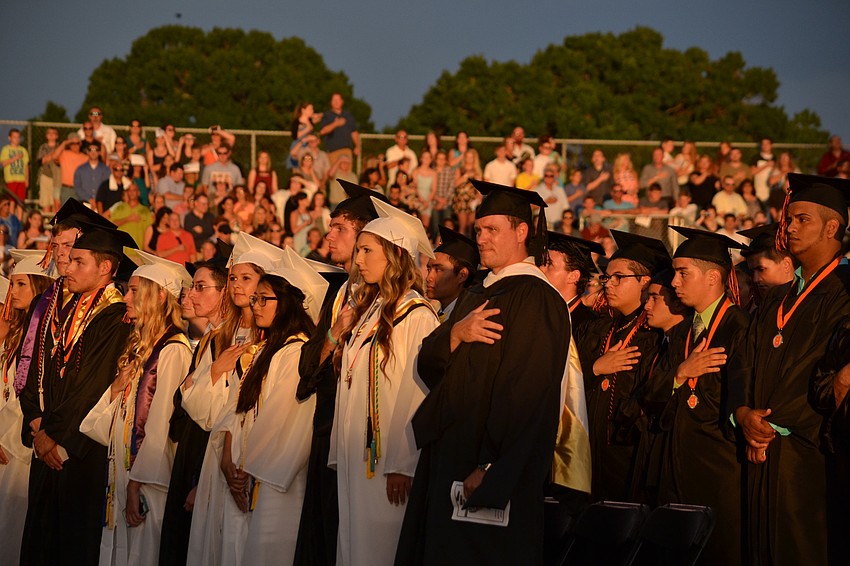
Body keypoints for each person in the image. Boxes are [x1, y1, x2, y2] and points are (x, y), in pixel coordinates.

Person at [397, 181, 570, 565]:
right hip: (450, 457)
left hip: (489, 468)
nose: (482, 238)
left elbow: (527, 394)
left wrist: (491, 466)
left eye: (492, 229)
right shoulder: (478, 293)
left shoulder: (536, 299)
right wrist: (456, 334)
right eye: (479, 230)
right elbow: (427, 363)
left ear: (521, 231)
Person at [732, 174, 850, 565]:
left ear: (833, 227)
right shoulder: (777, 296)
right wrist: (742, 412)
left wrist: (772, 423)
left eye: (803, 220)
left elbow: (821, 368)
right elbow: (744, 359)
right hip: (758, 448)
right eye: (791, 219)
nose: (791, 227)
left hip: (808, 451)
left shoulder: (845, 289)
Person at [329, 197, 439, 566]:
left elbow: (418, 392)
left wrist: (403, 463)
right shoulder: (368, 310)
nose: (358, 260)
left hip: (387, 462)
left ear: (393, 255)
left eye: (366, 250)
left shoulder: (417, 314)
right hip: (356, 454)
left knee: (379, 548)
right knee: (352, 544)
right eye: (357, 249)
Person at [18, 223, 136, 565]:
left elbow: (92, 385)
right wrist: (37, 425)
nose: (67, 267)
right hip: (48, 442)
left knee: (70, 544)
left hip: (78, 450)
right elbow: (39, 370)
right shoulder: (63, 308)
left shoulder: (114, 317)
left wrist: (54, 435)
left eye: (78, 261)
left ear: (105, 268)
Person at [214, 250, 328, 564]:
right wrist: (231, 459)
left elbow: (282, 419)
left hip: (277, 478)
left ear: (289, 303)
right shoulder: (267, 348)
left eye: (265, 299)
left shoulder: (296, 351)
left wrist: (249, 466)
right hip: (250, 471)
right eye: (256, 299)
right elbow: (240, 409)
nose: (255, 305)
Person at [80, 252, 193, 566]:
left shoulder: (173, 351)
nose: (126, 297)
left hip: (148, 484)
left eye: (133, 290)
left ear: (159, 296)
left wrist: (137, 483)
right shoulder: (138, 349)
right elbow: (103, 425)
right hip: (123, 473)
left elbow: (159, 428)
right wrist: (117, 387)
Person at [293, 181, 384, 566]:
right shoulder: (339, 291)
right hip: (326, 427)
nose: (328, 235)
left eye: (340, 229)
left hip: (362, 435)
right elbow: (307, 364)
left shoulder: (383, 297)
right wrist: (333, 333)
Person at [183, 234, 277, 566]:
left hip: (246, 451)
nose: (237, 285)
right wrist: (214, 371)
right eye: (233, 277)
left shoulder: (270, 337)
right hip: (218, 450)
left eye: (246, 279)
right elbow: (198, 405)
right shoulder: (226, 333)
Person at [659, 227, 750, 564]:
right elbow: (653, 396)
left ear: (713, 277)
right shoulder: (681, 330)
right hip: (677, 467)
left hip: (722, 470)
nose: (674, 282)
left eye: (683, 273)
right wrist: (681, 374)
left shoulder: (740, 327)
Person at [581, 230, 666, 501]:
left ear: (645, 282)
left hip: (629, 458)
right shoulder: (599, 328)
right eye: (607, 277)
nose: (609, 284)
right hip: (590, 453)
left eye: (619, 277)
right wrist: (596, 368)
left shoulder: (654, 336)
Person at [159, 260, 227, 566]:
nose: (192, 294)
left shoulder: (227, 342)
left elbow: (214, 413)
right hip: (189, 451)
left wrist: (202, 479)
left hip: (204, 455)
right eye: (191, 287)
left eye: (201, 287)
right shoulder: (210, 338)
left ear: (224, 293)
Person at [0, 251, 56, 566]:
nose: (14, 292)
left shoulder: (39, 338)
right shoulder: (14, 337)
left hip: (21, 449)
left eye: (22, 284)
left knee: (15, 532)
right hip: (4, 446)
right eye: (12, 284)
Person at [426, 226, 479, 322]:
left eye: (438, 270)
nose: (428, 278)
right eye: (429, 269)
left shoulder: (468, 319)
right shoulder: (439, 313)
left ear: (462, 275)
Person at [737, 223, 794, 305]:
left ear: (786, 264)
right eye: (752, 272)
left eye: (761, 269)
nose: (755, 279)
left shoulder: (807, 305)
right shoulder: (760, 308)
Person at [319, 93, 361, 167]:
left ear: (342, 101)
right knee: (335, 176)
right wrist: (335, 124)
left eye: (338, 100)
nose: (336, 102)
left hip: (347, 151)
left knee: (345, 176)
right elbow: (322, 131)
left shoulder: (348, 115)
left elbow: (354, 132)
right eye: (334, 100)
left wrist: (357, 146)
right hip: (333, 151)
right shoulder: (327, 115)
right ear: (331, 102)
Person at [110, 184, 153, 249]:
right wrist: (127, 219)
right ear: (127, 193)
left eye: (134, 190)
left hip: (138, 251)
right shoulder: (119, 208)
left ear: (138, 193)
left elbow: (149, 231)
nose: (132, 192)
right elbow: (111, 225)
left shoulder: (145, 211)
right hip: (121, 251)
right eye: (129, 190)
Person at [73, 143, 111, 207]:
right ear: (87, 152)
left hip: (100, 205)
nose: (93, 152)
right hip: (84, 203)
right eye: (90, 150)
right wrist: (89, 199)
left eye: (96, 150)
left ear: (99, 152)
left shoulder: (106, 170)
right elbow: (77, 187)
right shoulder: (80, 170)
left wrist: (98, 200)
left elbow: (106, 187)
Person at [1, 128, 29, 202]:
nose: (16, 139)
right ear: (9, 138)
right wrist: (15, 158)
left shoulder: (23, 150)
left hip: (21, 179)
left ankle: (19, 214)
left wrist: (27, 179)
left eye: (18, 137)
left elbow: (26, 166)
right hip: (11, 179)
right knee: (11, 200)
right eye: (14, 137)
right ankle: (11, 213)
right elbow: (3, 163)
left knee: (21, 201)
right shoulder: (6, 149)